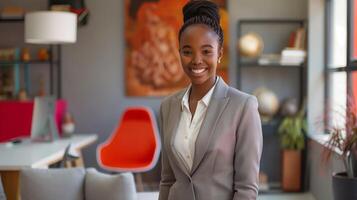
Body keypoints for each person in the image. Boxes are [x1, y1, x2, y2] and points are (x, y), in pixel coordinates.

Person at [158, 1, 263, 200]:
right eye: (187, 51)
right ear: (179, 53)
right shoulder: (168, 107)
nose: (196, 60)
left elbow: (247, 188)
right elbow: (167, 179)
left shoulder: (243, 106)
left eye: (206, 51)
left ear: (219, 54)